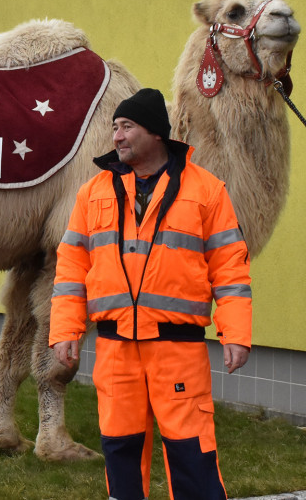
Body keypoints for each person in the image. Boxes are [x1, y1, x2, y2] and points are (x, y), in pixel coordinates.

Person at [50, 88, 251, 499]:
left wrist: (236, 334)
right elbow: (71, 269)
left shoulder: (207, 190)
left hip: (177, 351)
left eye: (127, 127)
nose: (117, 137)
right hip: (115, 350)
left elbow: (229, 268)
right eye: (115, 128)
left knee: (191, 452)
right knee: (121, 450)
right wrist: (65, 331)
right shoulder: (93, 193)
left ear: (156, 133)